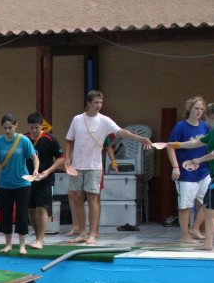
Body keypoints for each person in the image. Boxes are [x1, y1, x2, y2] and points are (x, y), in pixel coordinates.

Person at [64, 90, 153, 245]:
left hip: (94, 166)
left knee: (93, 198)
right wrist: (67, 158)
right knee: (77, 198)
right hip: (77, 165)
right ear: (88, 103)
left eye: (100, 103)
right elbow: (69, 140)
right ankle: (82, 233)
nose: (99, 105)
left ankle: (93, 233)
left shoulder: (104, 120)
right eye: (96, 102)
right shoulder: (77, 119)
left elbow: (121, 132)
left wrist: (139, 138)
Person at [171, 102, 214, 251]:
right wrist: (177, 145)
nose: (203, 115)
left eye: (205, 112)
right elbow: (197, 142)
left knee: (211, 210)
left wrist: (199, 160)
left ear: (212, 115)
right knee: (209, 207)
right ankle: (208, 243)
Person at [0, 114, 39, 254]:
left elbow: (34, 157)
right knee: (6, 214)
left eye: (10, 128)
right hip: (5, 184)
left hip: (23, 183)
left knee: (22, 214)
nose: (7, 131)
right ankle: (8, 244)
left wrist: (36, 170)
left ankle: (22, 245)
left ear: (16, 125)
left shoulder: (23, 140)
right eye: (5, 128)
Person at [165, 97, 210, 243]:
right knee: (186, 205)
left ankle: (196, 228)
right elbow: (170, 147)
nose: (199, 111)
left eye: (202, 109)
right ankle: (185, 236)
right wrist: (175, 167)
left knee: (207, 201)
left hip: (203, 170)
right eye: (196, 108)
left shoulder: (205, 127)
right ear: (190, 108)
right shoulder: (181, 127)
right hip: (186, 171)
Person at [24, 113, 64, 249]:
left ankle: (40, 239)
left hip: (45, 179)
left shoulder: (50, 139)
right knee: (31, 209)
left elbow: (61, 158)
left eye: (36, 128)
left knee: (42, 207)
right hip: (28, 179)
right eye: (31, 128)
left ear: (42, 126)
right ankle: (38, 237)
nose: (34, 131)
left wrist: (48, 171)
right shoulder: (24, 139)